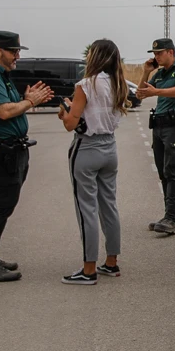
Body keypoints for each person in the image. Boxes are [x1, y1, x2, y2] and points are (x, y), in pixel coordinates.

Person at [0, 31, 53, 283]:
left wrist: (27, 100)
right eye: (13, 51)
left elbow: (11, 108)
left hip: (9, 149)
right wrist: (30, 101)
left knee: (2, 205)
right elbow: (4, 111)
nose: (17, 55)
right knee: (0, 206)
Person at [58, 39, 128, 285]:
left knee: (86, 208)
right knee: (109, 205)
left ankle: (88, 269)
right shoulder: (118, 85)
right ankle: (111, 262)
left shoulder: (85, 85)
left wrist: (65, 111)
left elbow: (70, 123)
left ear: (94, 58)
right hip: (110, 148)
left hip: (87, 149)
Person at [136, 38, 175, 235]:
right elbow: (140, 94)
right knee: (163, 171)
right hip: (160, 126)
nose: (156, 57)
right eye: (154, 54)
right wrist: (146, 71)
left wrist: (158, 91)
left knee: (173, 171)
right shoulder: (159, 73)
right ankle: (170, 216)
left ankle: (171, 218)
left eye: (159, 53)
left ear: (171, 52)